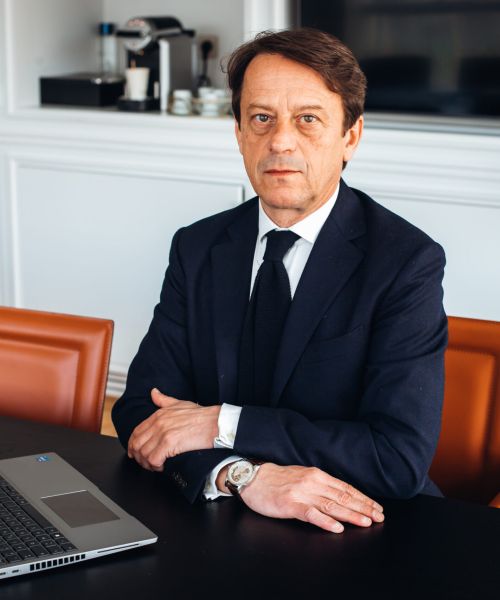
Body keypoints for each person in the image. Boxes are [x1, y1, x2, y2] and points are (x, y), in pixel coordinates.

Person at [112, 28, 447, 534]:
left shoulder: (406, 262)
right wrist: (239, 474)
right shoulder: (197, 247)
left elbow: (395, 459)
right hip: (219, 519)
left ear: (350, 137)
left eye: (308, 119)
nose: (280, 141)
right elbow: (142, 410)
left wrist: (220, 422)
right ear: (239, 134)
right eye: (261, 118)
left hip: (360, 527)